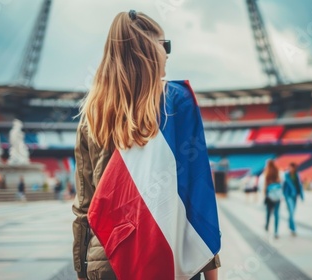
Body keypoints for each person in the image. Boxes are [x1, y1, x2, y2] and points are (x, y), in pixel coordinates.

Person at [72, 10, 220, 280]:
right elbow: (196, 196)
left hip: (107, 259)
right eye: (166, 46)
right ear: (148, 52)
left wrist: (83, 270)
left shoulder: (92, 116)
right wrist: (211, 271)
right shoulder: (177, 104)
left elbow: (85, 206)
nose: (168, 54)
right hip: (166, 255)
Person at [283, 162, 305, 236]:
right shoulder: (286, 175)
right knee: (291, 211)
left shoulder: (297, 175)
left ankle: (290, 224)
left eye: (291, 167)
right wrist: (283, 195)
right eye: (289, 167)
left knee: (292, 212)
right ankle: (293, 228)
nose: (290, 169)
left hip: (295, 196)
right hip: (288, 195)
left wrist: (302, 196)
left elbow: (300, 185)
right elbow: (284, 185)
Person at [263, 161, 283, 238]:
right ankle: (276, 231)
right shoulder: (277, 171)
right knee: (276, 214)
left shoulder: (267, 173)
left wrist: (265, 194)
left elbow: (265, 185)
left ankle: (267, 225)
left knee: (268, 212)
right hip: (277, 195)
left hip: (270, 195)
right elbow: (280, 181)